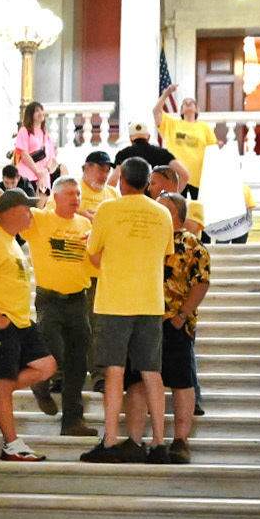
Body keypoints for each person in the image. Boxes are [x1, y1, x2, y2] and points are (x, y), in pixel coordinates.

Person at [80, 158, 174, 462]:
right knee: (152, 373)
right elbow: (165, 254)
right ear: (147, 183)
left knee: (114, 371)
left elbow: (93, 255)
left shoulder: (107, 209)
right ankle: (158, 443)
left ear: (121, 181)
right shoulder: (162, 213)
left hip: (114, 301)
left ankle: (109, 441)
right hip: (150, 301)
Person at [0, 189, 56, 461]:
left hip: (20, 322)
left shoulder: (12, 241)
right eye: (27, 209)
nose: (31, 214)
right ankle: (12, 445)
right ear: (12, 211)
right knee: (5, 383)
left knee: (47, 366)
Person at [29, 177, 98, 437]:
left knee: (78, 362)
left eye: (78, 194)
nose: (76, 198)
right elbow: (9, 206)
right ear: (56, 197)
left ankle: (72, 420)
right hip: (49, 299)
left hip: (78, 300)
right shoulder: (40, 219)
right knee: (52, 352)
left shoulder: (85, 224)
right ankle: (40, 383)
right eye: (70, 194)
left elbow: (94, 262)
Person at [159, 192, 211, 462]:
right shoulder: (150, 240)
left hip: (175, 322)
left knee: (181, 382)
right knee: (144, 380)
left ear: (176, 213)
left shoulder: (192, 245)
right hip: (146, 321)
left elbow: (201, 282)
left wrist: (181, 316)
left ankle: (180, 439)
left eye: (162, 208)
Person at [154, 84, 218, 196]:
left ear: (197, 110)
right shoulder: (171, 124)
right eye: (185, 103)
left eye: (191, 103)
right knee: (175, 205)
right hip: (176, 176)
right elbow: (156, 111)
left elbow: (213, 149)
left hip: (198, 177)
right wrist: (166, 94)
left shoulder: (205, 128)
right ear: (181, 111)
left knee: (197, 206)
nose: (188, 104)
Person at [12, 100, 58, 196]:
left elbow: (51, 157)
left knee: (42, 203)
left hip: (44, 177)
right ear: (31, 115)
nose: (40, 113)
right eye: (37, 111)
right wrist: (37, 170)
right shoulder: (24, 131)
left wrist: (46, 170)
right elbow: (24, 153)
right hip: (27, 174)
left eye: (41, 110)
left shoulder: (47, 136)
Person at [78, 149, 119, 215]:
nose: (105, 175)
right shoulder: (73, 187)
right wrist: (80, 214)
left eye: (107, 171)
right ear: (87, 168)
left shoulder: (113, 193)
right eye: (101, 170)